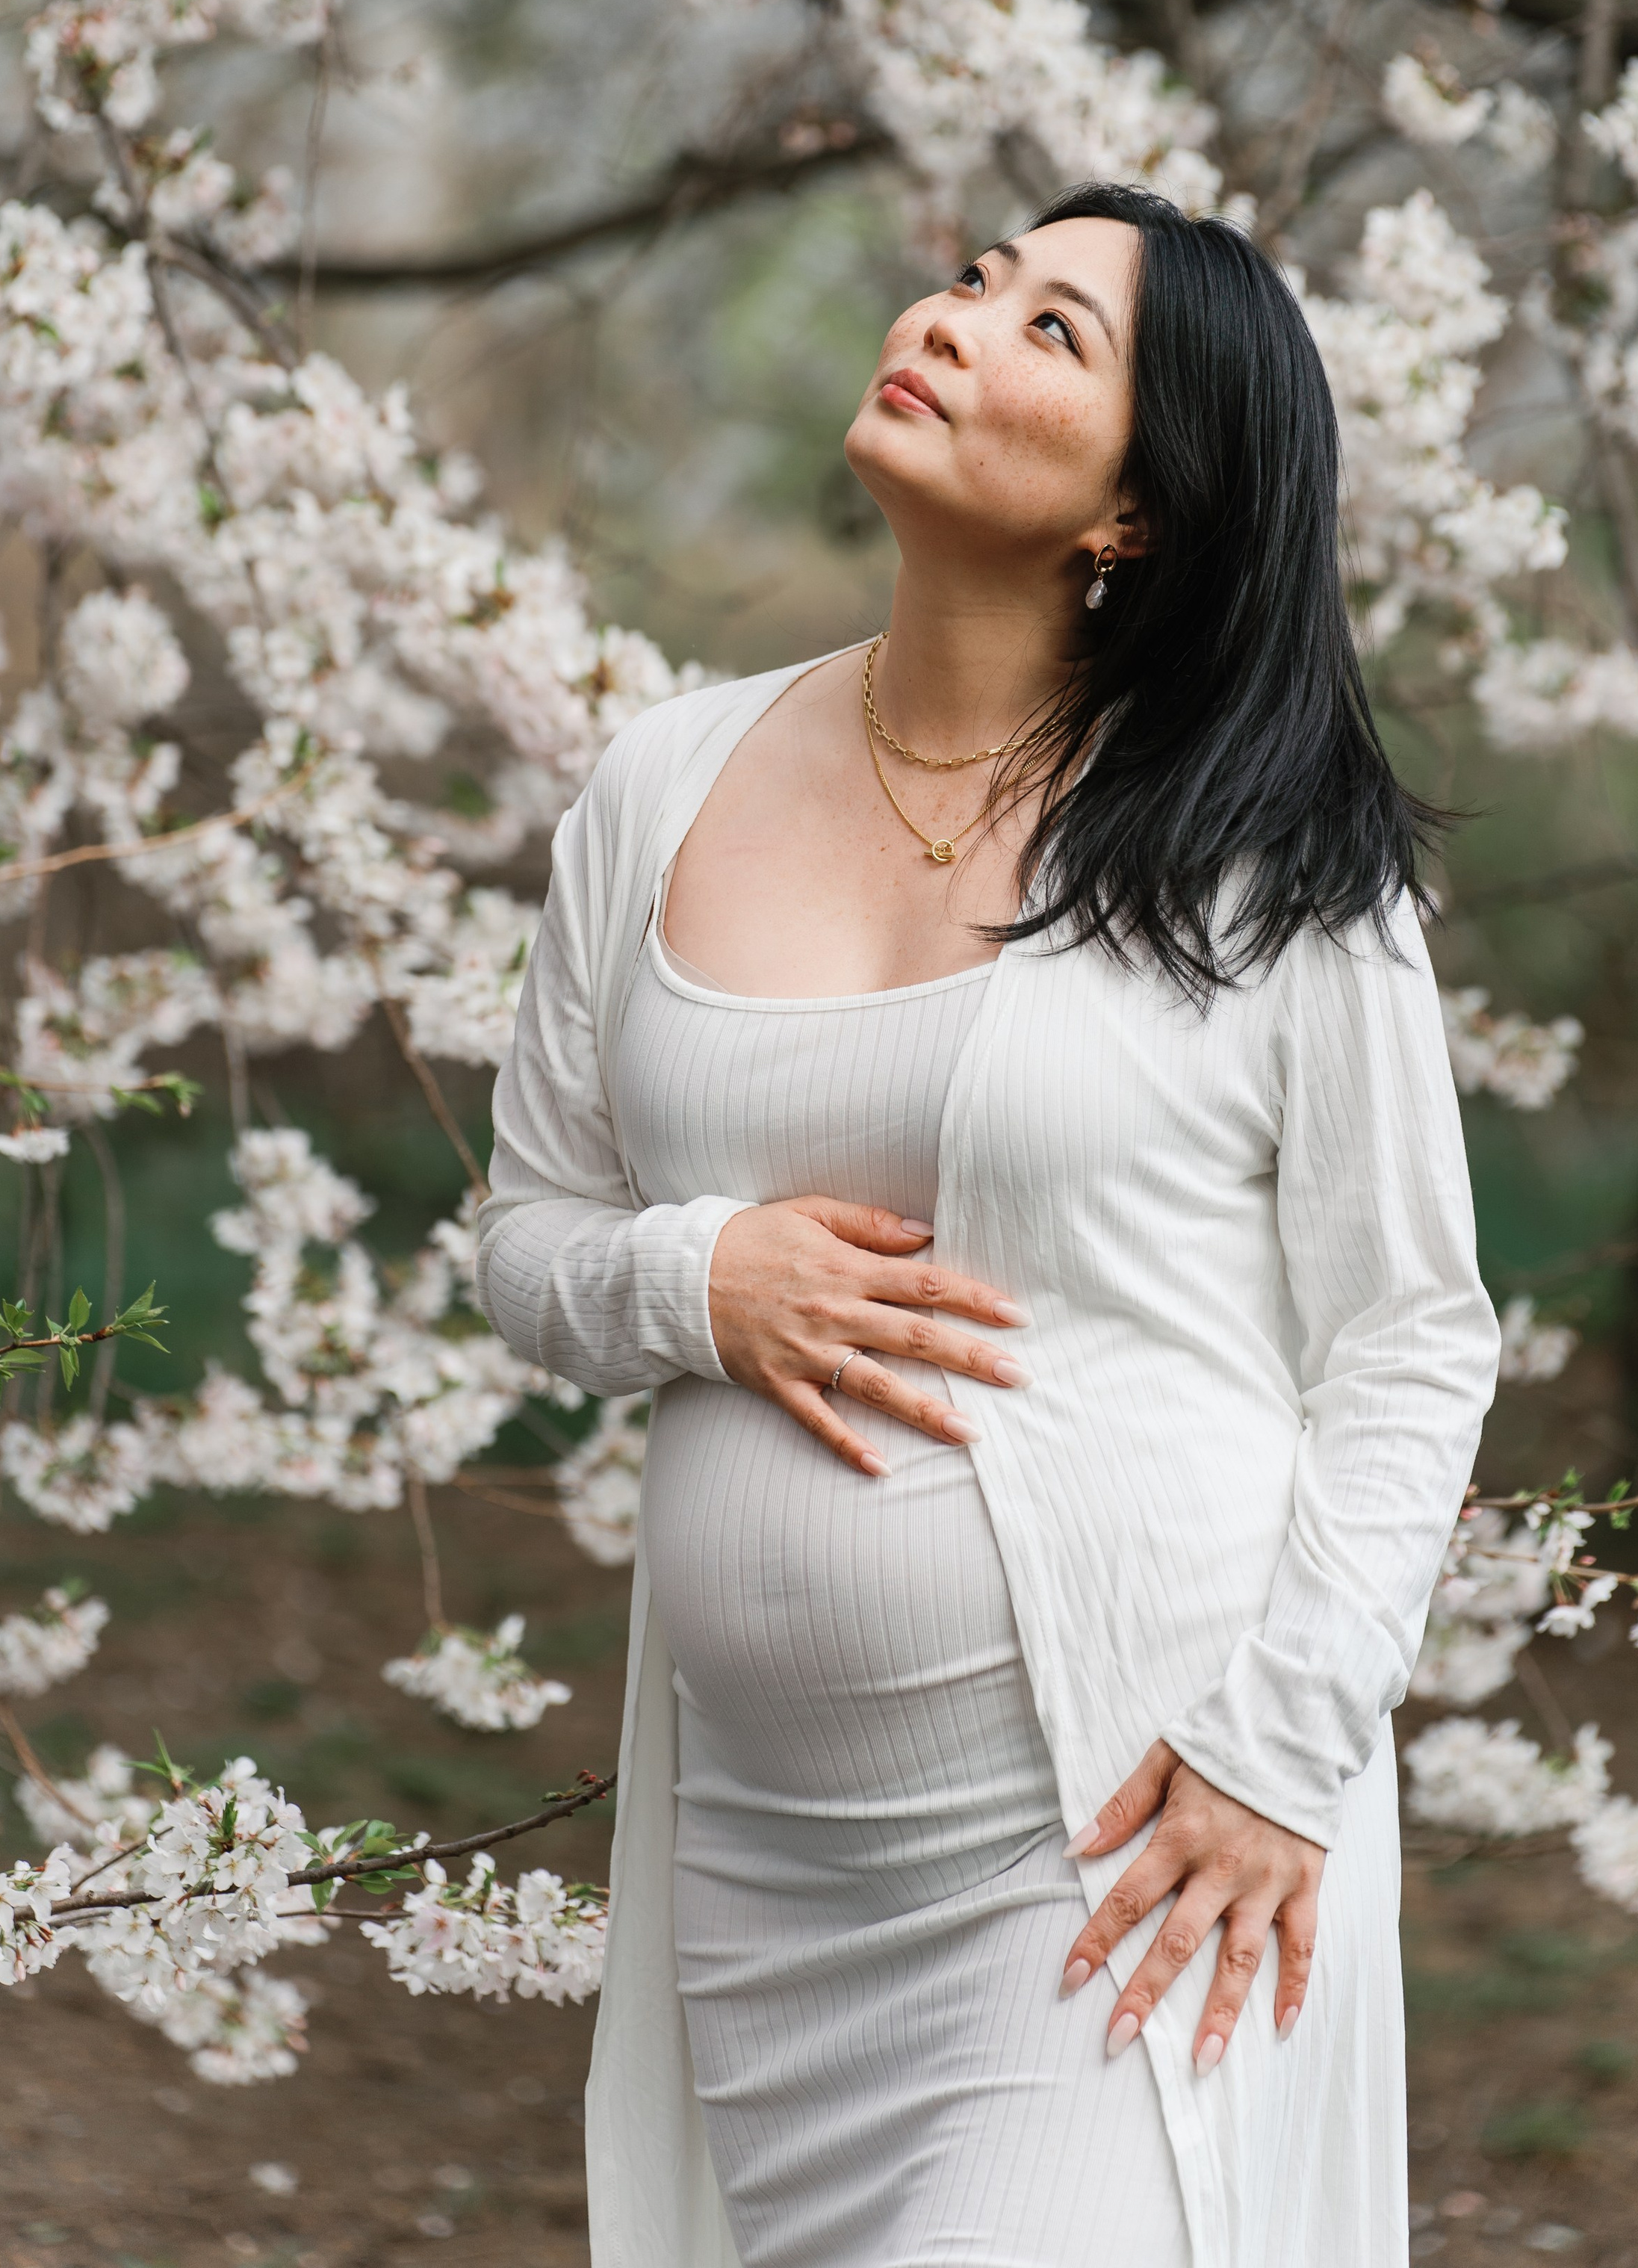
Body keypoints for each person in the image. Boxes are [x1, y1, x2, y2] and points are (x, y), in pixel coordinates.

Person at [474, 182, 1500, 2268]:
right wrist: (697, 1277)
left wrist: (1281, 1756)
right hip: (765, 1882)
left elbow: (1410, 1334)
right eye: (974, 279)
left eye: (1055, 332)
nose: (958, 319)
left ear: (1138, 508)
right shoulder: (657, 781)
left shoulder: (1269, 864)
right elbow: (526, 1242)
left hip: (1125, 1843)